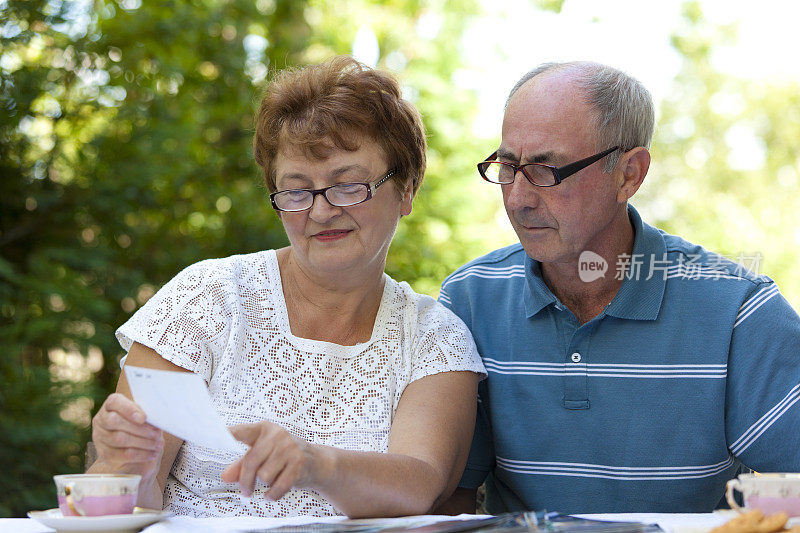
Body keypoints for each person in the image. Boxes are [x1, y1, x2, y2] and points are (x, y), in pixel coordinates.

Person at [88, 56, 486, 518]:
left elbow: (421, 486)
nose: (320, 212)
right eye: (297, 190)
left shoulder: (434, 337)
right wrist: (124, 468)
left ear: (407, 190)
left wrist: (314, 463)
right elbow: (123, 496)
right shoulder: (205, 299)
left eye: (349, 185)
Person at [435, 61, 800, 515]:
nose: (517, 198)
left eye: (547, 169)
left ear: (629, 174)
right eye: (507, 167)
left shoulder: (738, 311)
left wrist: (754, 513)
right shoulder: (469, 301)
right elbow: (449, 498)